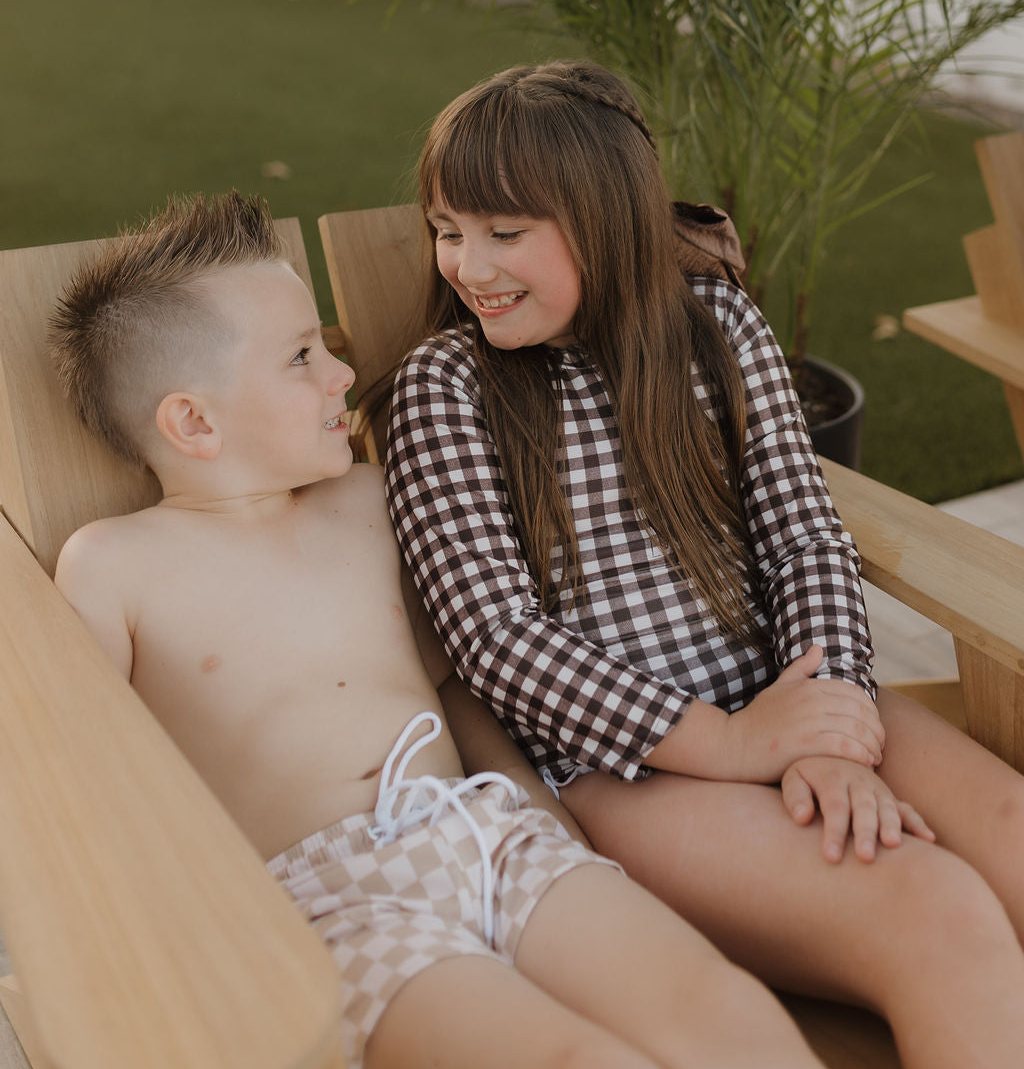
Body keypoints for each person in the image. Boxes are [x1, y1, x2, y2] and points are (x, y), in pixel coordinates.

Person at [48, 191, 826, 1069]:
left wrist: (539, 814)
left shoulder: (371, 504)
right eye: (303, 357)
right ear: (194, 421)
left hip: (490, 834)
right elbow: (76, 780)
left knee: (721, 1009)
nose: (344, 375)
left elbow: (454, 683)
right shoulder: (114, 564)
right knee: (568, 1056)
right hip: (323, 900)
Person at [385, 59, 1024, 1069]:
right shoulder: (446, 387)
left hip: (787, 690)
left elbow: (802, 535)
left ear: (606, 222)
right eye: (446, 230)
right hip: (625, 768)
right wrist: (730, 746)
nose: (467, 264)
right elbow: (494, 637)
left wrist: (825, 726)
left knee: (1013, 839)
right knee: (935, 911)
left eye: (503, 233)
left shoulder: (718, 330)